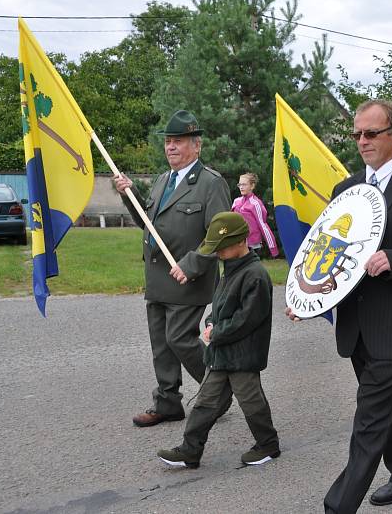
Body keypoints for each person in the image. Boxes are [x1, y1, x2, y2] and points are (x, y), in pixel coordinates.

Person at [287, 99, 392, 512]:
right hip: (356, 323)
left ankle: (338, 505)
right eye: (357, 134)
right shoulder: (346, 190)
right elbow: (331, 254)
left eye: (371, 133)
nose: (362, 141)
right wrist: (309, 297)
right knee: (390, 408)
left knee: (369, 417)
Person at [114, 110, 231, 427]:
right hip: (157, 277)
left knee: (180, 338)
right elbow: (146, 224)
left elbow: (219, 233)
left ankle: (217, 392)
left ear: (197, 146)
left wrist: (191, 264)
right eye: (168, 141)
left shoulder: (210, 183)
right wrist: (130, 196)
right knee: (161, 344)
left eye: (178, 141)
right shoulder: (163, 180)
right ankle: (167, 402)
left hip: (188, 277)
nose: (171, 147)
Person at [157, 212, 279, 468]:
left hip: (243, 356)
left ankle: (268, 444)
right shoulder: (229, 270)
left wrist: (217, 332)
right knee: (205, 402)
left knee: (251, 401)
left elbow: (247, 319)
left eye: (222, 247)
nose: (218, 253)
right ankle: (190, 451)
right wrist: (212, 321)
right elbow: (221, 305)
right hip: (221, 354)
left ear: (240, 242)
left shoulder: (255, 275)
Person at [232, 172, 279, 257]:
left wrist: (273, 249)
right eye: (240, 184)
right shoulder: (236, 202)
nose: (241, 187)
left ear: (252, 186)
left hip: (253, 245)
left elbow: (263, 225)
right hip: (238, 244)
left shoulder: (256, 204)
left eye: (244, 184)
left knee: (251, 269)